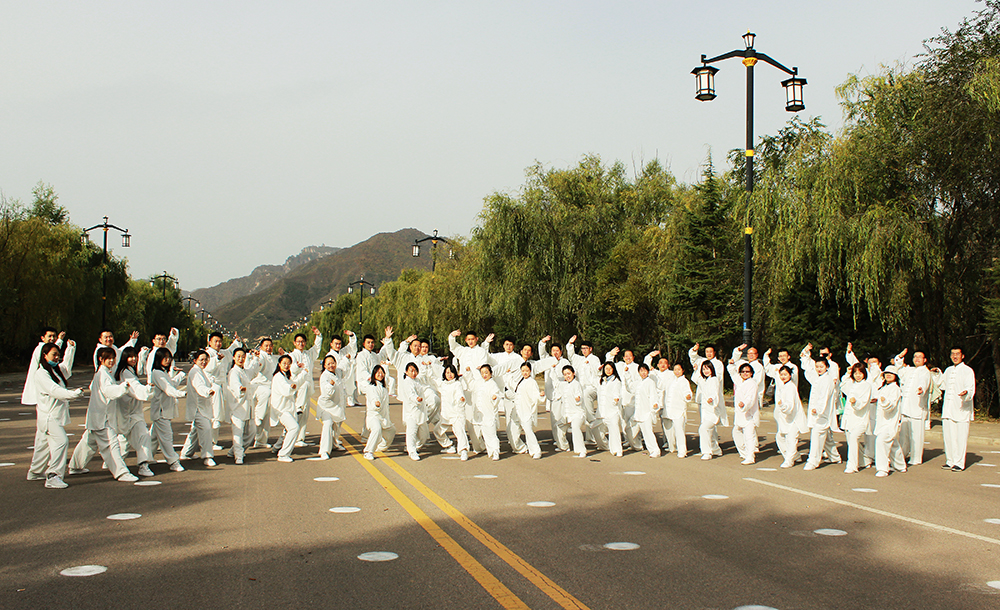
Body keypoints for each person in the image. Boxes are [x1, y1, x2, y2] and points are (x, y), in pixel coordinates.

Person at [68, 347, 138, 482]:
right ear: (101, 359)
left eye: (113, 358)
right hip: (102, 418)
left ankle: (75, 466)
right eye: (108, 358)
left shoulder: (103, 373)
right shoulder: (102, 374)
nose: (111, 361)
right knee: (111, 445)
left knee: (88, 443)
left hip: (98, 417)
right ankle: (121, 473)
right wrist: (123, 387)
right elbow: (108, 391)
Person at [27, 341, 83, 488]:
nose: (57, 357)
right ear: (44, 355)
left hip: (53, 416)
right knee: (61, 441)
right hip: (48, 416)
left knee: (43, 446)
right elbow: (54, 390)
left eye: (58, 354)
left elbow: (67, 368)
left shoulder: (55, 370)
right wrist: (73, 394)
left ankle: (35, 472)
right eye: (54, 354)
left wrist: (71, 349)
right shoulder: (41, 374)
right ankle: (53, 475)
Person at [111, 347, 156, 477]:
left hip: (131, 413)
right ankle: (139, 465)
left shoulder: (128, 371)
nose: (133, 359)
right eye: (130, 356)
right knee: (142, 436)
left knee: (129, 440)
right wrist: (147, 390)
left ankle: (141, 464)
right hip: (128, 413)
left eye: (135, 356)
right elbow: (135, 388)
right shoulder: (125, 373)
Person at [934, 346, 976, 471]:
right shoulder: (948, 370)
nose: (955, 356)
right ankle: (950, 460)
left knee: (960, 437)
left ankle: (959, 463)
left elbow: (971, 387)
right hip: (948, 408)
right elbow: (942, 385)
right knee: (948, 436)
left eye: (957, 354)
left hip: (962, 408)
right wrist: (937, 374)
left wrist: (966, 393)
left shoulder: (967, 370)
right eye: (953, 354)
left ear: (962, 356)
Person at [801, 344, 841, 471]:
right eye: (817, 367)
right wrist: (806, 353)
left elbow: (824, 397)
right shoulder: (818, 377)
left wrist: (818, 410)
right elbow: (807, 368)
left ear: (827, 367)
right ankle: (835, 457)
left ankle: (813, 461)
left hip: (822, 413)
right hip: (817, 413)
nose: (819, 369)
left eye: (821, 366)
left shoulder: (828, 380)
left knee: (817, 437)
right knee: (826, 436)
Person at [147, 347, 187, 471]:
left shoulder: (163, 372)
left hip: (163, 411)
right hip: (161, 412)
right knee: (166, 438)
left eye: (169, 357)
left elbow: (171, 384)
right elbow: (168, 389)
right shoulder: (157, 373)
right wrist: (182, 394)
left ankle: (146, 459)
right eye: (164, 357)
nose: (167, 360)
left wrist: (180, 375)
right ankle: (173, 461)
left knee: (153, 439)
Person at [179, 350, 219, 467]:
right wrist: (207, 391)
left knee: (195, 431)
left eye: (206, 359)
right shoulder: (195, 372)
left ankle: (186, 453)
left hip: (202, 407)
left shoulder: (200, 371)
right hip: (198, 408)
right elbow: (199, 386)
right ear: (195, 360)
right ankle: (207, 456)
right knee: (206, 429)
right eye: (201, 359)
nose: (204, 362)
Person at [892, 348, 932, 466]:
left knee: (916, 436)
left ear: (925, 360)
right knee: (903, 435)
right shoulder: (910, 370)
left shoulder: (925, 372)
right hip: (906, 408)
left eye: (919, 357)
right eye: (915, 356)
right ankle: (902, 455)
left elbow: (924, 382)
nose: (917, 358)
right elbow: (899, 369)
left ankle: (916, 458)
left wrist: (921, 389)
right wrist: (900, 357)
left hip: (917, 408)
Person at [270, 353, 309, 463]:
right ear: (279, 364)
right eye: (284, 363)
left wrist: (303, 373)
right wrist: (291, 387)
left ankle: (277, 447)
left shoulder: (286, 377)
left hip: (288, 409)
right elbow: (286, 390)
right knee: (294, 428)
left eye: (288, 363)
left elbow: (295, 384)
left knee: (287, 430)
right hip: (281, 410)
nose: (286, 365)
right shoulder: (278, 377)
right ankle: (283, 454)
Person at [538, 337, 572, 452]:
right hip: (552, 394)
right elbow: (542, 352)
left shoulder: (565, 362)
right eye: (553, 351)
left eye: (557, 350)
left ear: (561, 352)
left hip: (563, 393)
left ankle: (562, 439)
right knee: (554, 419)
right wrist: (543, 342)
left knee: (564, 418)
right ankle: (558, 440)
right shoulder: (547, 360)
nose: (555, 353)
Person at [290, 327, 323, 445]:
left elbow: (316, 348)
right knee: (296, 414)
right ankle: (291, 436)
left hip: (307, 389)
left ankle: (300, 438)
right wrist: (297, 366)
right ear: (294, 343)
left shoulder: (308, 354)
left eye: (303, 341)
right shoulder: (292, 355)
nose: (301, 344)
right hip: (297, 388)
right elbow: (291, 369)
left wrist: (318, 336)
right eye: (298, 342)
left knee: (305, 415)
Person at [873, 366, 906, 477]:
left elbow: (891, 406)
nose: (888, 375)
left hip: (890, 422)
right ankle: (900, 465)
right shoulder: (884, 388)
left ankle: (883, 469)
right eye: (886, 373)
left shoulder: (895, 389)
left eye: (891, 374)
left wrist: (884, 402)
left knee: (881, 441)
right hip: (882, 421)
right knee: (893, 443)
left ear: (895, 376)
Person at [771, 365, 807, 468]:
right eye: (781, 374)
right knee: (780, 437)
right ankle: (795, 456)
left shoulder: (791, 387)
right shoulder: (783, 386)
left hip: (794, 419)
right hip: (786, 419)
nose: (783, 376)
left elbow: (790, 405)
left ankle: (789, 460)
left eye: (785, 374)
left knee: (791, 439)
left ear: (790, 375)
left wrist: (783, 406)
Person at [840, 363, 873, 474]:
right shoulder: (852, 384)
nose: (858, 375)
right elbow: (842, 385)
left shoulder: (866, 386)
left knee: (854, 438)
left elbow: (862, 403)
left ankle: (852, 465)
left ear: (864, 373)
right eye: (855, 373)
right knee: (852, 442)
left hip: (860, 419)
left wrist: (855, 403)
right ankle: (864, 461)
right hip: (849, 419)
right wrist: (847, 373)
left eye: (860, 373)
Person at [316, 354, 350, 460]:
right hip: (326, 406)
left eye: (333, 363)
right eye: (328, 364)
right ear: (324, 366)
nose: (331, 365)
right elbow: (326, 393)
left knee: (337, 426)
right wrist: (330, 385)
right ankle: (324, 451)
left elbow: (344, 366)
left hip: (336, 406)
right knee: (328, 424)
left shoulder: (337, 372)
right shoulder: (324, 377)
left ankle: (334, 443)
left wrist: (346, 358)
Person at [508, 362, 543, 459]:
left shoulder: (532, 382)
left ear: (530, 371)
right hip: (517, 410)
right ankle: (520, 448)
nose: (525, 372)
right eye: (523, 371)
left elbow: (535, 395)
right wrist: (509, 375)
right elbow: (513, 386)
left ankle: (536, 451)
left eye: (527, 370)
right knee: (512, 430)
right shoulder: (521, 381)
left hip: (526, 410)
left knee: (528, 431)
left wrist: (540, 396)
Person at [228, 348, 257, 465]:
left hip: (248, 407)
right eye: (238, 356)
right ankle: (239, 456)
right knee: (238, 433)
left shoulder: (245, 371)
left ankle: (233, 451)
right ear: (234, 357)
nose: (241, 359)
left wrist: (256, 358)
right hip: (237, 407)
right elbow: (235, 384)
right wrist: (240, 388)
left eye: (243, 356)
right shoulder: (233, 372)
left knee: (252, 433)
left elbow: (254, 371)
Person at [21, 326, 64, 406]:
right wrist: (60, 340)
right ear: (43, 338)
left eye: (54, 336)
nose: (52, 338)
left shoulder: (45, 348)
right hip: (39, 380)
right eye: (49, 336)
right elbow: (52, 352)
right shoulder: (40, 348)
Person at [247, 338, 278, 448]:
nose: (268, 348)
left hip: (269, 386)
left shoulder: (273, 358)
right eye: (266, 345)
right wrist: (256, 358)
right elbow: (258, 366)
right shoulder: (261, 356)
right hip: (258, 386)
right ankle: (258, 415)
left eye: (270, 345)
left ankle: (261, 441)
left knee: (267, 415)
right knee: (266, 394)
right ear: (261, 347)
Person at [727, 360, 759, 465]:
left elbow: (750, 398)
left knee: (749, 436)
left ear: (751, 373)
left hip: (749, 414)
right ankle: (744, 453)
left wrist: (744, 404)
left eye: (747, 371)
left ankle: (750, 457)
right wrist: (731, 363)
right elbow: (731, 372)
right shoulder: (740, 381)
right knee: (736, 432)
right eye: (743, 371)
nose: (745, 373)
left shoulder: (752, 384)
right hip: (740, 415)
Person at [361, 365, 396, 461]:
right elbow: (373, 398)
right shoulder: (371, 387)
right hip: (374, 416)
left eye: (382, 373)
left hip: (383, 417)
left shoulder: (383, 388)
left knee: (391, 430)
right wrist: (376, 404)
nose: (380, 374)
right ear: (374, 374)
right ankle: (368, 451)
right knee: (376, 429)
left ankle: (381, 447)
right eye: (378, 373)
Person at [693, 360, 725, 460]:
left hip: (713, 411)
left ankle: (707, 452)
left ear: (712, 369)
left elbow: (715, 392)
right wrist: (696, 370)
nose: (705, 371)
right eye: (703, 369)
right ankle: (716, 450)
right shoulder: (704, 380)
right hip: (705, 411)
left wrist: (712, 398)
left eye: (707, 369)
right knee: (710, 432)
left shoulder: (714, 379)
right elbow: (696, 379)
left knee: (703, 429)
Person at [439, 364, 471, 461]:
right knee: (437, 431)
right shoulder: (443, 384)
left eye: (451, 372)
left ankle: (463, 450)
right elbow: (432, 379)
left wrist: (461, 399)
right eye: (447, 372)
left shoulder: (457, 384)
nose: (449, 375)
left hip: (456, 413)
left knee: (460, 431)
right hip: (445, 415)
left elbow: (459, 394)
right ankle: (448, 445)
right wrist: (427, 367)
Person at [400, 362, 430, 461]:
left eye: (415, 371)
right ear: (406, 372)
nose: (413, 373)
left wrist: (425, 366)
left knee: (424, 435)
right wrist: (416, 399)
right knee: (411, 433)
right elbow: (411, 395)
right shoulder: (406, 382)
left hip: (421, 412)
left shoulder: (417, 380)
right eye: (411, 371)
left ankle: (415, 447)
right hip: (411, 412)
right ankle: (412, 451)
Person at [663, 363, 693, 458]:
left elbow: (687, 391)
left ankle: (682, 450)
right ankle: (672, 446)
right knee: (672, 430)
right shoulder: (672, 381)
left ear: (683, 370)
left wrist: (688, 396)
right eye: (675, 369)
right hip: (671, 409)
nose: (677, 371)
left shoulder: (684, 381)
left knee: (679, 431)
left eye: (679, 369)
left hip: (679, 409)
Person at [473, 364, 503, 460]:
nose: (484, 375)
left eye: (486, 372)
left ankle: (496, 451)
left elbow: (496, 394)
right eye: (482, 373)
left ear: (490, 373)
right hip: (482, 413)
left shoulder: (492, 384)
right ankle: (491, 451)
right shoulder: (480, 383)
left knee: (491, 433)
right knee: (485, 434)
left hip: (489, 413)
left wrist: (495, 397)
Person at [632, 363, 661, 458]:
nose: (643, 373)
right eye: (641, 371)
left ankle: (655, 450)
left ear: (648, 372)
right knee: (644, 433)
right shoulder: (639, 383)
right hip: (640, 411)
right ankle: (651, 449)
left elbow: (653, 394)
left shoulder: (650, 382)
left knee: (648, 431)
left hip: (647, 411)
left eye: (645, 371)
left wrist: (654, 404)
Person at [597, 362, 624, 457]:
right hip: (601, 411)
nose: (608, 370)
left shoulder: (616, 381)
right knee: (595, 429)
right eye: (606, 368)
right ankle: (604, 445)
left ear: (613, 369)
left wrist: (616, 399)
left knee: (614, 431)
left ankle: (617, 450)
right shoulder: (601, 381)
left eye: (610, 368)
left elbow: (617, 393)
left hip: (612, 410)